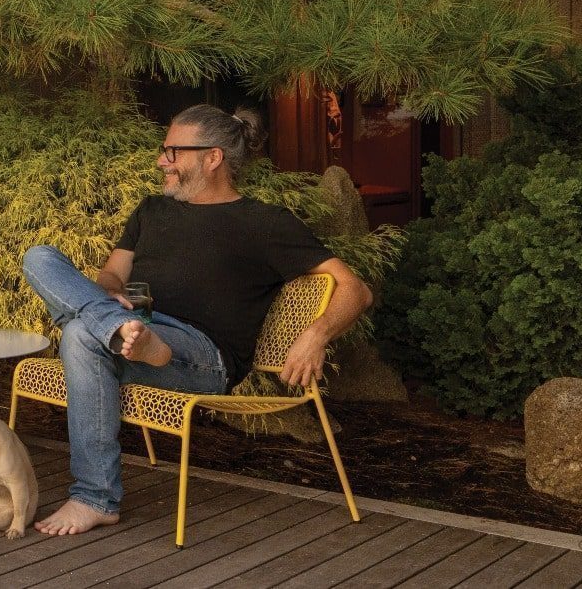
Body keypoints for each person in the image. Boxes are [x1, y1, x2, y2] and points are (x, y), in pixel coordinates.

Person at [20, 104, 372, 536]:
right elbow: (112, 274)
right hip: (137, 334)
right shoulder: (151, 211)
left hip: (203, 355)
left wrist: (316, 335)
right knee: (40, 258)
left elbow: (355, 288)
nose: (161, 161)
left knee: (78, 332)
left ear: (212, 157)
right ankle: (113, 326)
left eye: (173, 152)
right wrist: (111, 292)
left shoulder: (264, 223)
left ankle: (95, 497)